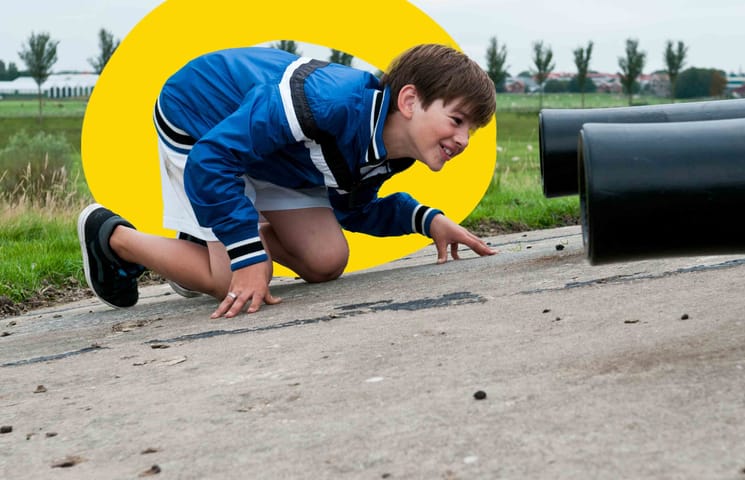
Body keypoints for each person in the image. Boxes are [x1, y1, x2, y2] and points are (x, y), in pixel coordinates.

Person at [78, 43, 497, 319]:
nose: (463, 140)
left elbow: (352, 207)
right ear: (409, 101)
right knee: (232, 279)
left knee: (326, 261)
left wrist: (426, 220)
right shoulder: (326, 104)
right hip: (202, 121)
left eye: (472, 131)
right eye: (457, 121)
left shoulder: (392, 149)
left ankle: (200, 247)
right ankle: (112, 237)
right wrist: (244, 257)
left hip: (281, 156)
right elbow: (213, 159)